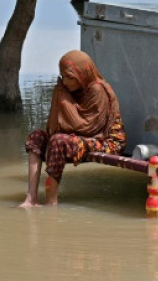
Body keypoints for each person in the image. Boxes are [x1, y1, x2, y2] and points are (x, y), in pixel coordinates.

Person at [17, 50, 126, 207]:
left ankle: (51, 201)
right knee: (37, 137)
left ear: (82, 74)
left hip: (107, 141)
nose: (65, 81)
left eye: (69, 77)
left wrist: (65, 101)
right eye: (63, 76)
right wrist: (61, 96)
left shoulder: (97, 89)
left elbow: (88, 127)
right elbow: (59, 126)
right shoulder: (75, 90)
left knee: (58, 141)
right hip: (85, 136)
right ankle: (31, 198)